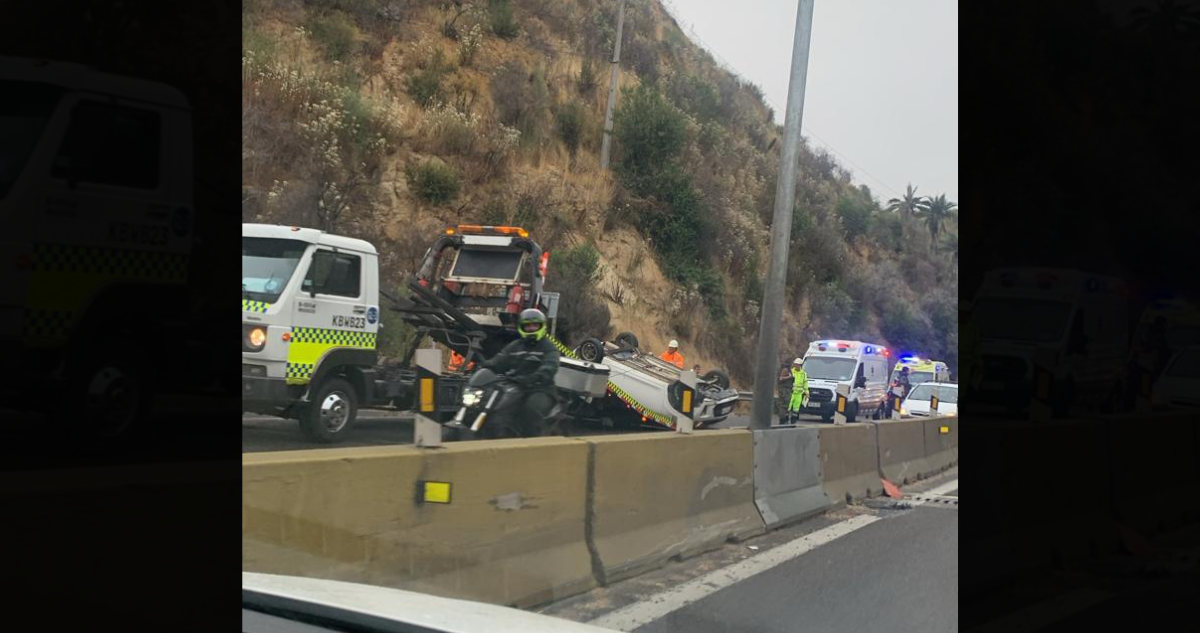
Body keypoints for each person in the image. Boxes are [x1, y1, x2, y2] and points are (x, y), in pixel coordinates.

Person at [481, 309, 561, 435]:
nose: (531, 328)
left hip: (540, 389)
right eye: (527, 325)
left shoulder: (548, 347)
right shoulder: (515, 345)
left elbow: (550, 367)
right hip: (514, 386)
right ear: (522, 327)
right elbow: (499, 360)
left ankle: (531, 445)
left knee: (531, 409)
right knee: (495, 408)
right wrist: (484, 366)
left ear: (542, 326)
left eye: (535, 325)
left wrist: (535, 377)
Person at [787, 357, 808, 423]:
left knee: (796, 408)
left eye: (797, 364)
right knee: (788, 407)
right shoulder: (791, 372)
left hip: (799, 394)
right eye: (795, 364)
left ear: (800, 365)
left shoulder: (804, 374)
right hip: (791, 392)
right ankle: (785, 420)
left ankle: (793, 421)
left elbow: (805, 384)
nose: (796, 365)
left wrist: (807, 392)